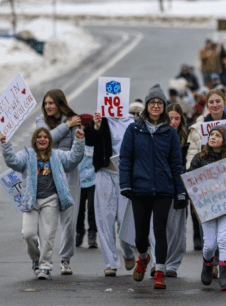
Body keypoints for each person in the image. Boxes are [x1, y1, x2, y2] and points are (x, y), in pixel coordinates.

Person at [119, 84, 188, 290]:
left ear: (164, 107)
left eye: (160, 103)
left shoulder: (170, 133)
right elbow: (126, 159)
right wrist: (125, 184)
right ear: (147, 106)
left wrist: (180, 190)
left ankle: (159, 271)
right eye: (152, 103)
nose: (156, 106)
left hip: (164, 189)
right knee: (140, 234)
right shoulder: (134, 129)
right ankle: (143, 257)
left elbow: (176, 164)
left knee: (160, 231)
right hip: (139, 188)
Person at [1, 127, 85, 279]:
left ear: (50, 140)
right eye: (39, 137)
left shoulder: (57, 155)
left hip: (51, 200)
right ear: (34, 140)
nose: (42, 139)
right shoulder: (27, 155)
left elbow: (74, 158)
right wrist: (6, 145)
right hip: (31, 200)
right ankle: (36, 260)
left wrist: (79, 140)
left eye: (45, 137)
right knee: (28, 234)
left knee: (47, 236)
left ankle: (45, 266)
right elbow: (13, 162)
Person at [185, 88, 226, 251]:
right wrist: (193, 175)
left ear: (224, 103)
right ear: (207, 104)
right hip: (206, 185)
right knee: (208, 226)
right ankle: (211, 262)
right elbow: (192, 153)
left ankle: (224, 260)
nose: (215, 105)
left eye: (218, 101)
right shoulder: (198, 127)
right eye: (211, 102)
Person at [85, 109, 137, 277]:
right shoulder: (102, 120)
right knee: (105, 219)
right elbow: (89, 140)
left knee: (124, 220)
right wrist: (96, 126)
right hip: (104, 173)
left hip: (125, 176)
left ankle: (128, 252)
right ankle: (111, 263)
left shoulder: (132, 122)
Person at [36, 89, 82, 276]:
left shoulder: (73, 119)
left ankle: (65, 259)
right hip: (47, 177)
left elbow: (75, 152)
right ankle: (42, 261)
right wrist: (66, 125)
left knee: (69, 222)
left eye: (51, 103)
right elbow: (45, 140)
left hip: (69, 176)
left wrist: (72, 126)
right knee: (47, 221)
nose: (48, 107)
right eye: (46, 103)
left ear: (60, 103)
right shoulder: (41, 121)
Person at [188, 124, 226, 291]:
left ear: (225, 141)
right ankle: (207, 263)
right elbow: (190, 180)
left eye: (218, 135)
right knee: (209, 245)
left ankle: (224, 274)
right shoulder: (199, 158)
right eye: (212, 134)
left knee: (223, 239)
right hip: (207, 208)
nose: (213, 137)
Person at [147, 103, 190, 278]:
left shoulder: (186, 139)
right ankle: (157, 262)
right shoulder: (158, 135)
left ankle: (172, 264)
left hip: (179, 186)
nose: (173, 122)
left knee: (177, 228)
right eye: (170, 118)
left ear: (181, 120)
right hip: (159, 186)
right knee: (156, 226)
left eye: (177, 118)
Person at [75, 144, 98, 249]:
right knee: (79, 209)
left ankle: (92, 233)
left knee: (92, 208)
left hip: (93, 180)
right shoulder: (76, 141)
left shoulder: (95, 138)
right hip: (79, 180)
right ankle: (79, 231)